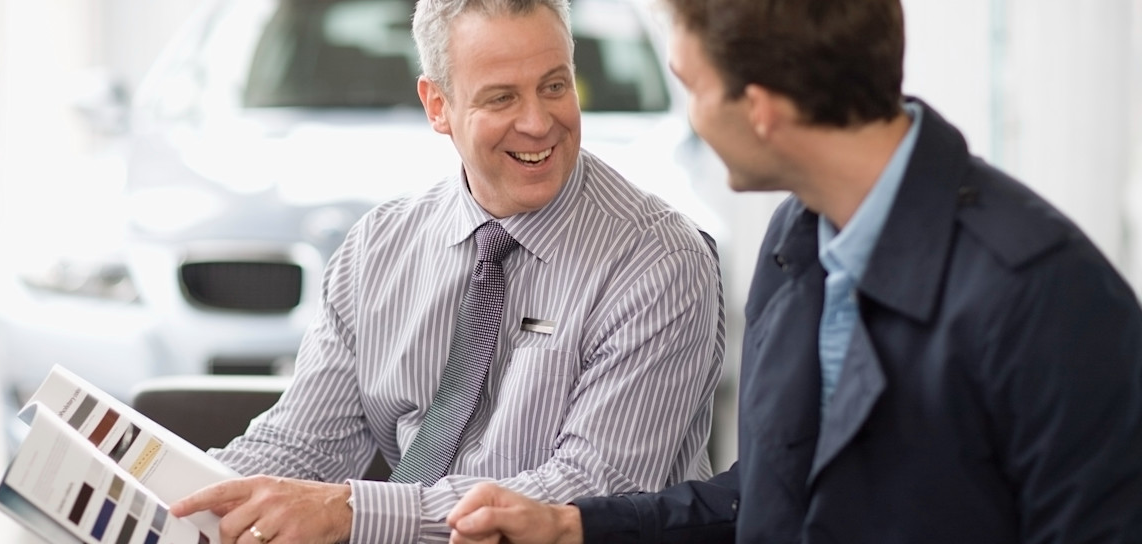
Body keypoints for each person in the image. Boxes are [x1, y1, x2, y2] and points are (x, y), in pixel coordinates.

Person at [446, 0, 1142, 542]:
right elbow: (774, 497)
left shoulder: (1047, 299)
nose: (690, 120)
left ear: (762, 109)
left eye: (692, 87)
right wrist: (573, 525)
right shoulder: (799, 237)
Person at [169, 0, 726, 542]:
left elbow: (589, 492)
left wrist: (354, 512)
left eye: (555, 86)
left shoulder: (659, 261)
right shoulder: (378, 247)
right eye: (502, 98)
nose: (538, 123)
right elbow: (305, 445)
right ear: (438, 106)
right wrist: (175, 500)